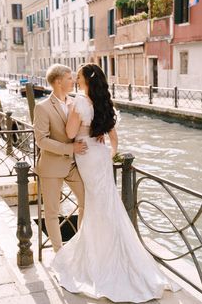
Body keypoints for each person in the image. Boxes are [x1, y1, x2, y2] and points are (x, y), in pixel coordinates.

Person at [51, 63, 179, 303]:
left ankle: (99, 259)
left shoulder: (79, 102)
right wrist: (107, 155)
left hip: (86, 154)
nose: (76, 81)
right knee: (106, 203)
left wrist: (70, 111)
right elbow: (114, 140)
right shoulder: (103, 104)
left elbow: (69, 134)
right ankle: (115, 253)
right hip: (99, 156)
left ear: (86, 81)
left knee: (96, 205)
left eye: (78, 77)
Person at [33, 64, 86, 253]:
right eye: (70, 78)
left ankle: (81, 246)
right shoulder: (42, 107)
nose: (74, 81)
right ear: (58, 81)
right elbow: (41, 140)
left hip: (74, 165)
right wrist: (69, 148)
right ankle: (59, 253)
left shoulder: (75, 102)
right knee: (52, 212)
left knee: (87, 202)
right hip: (51, 166)